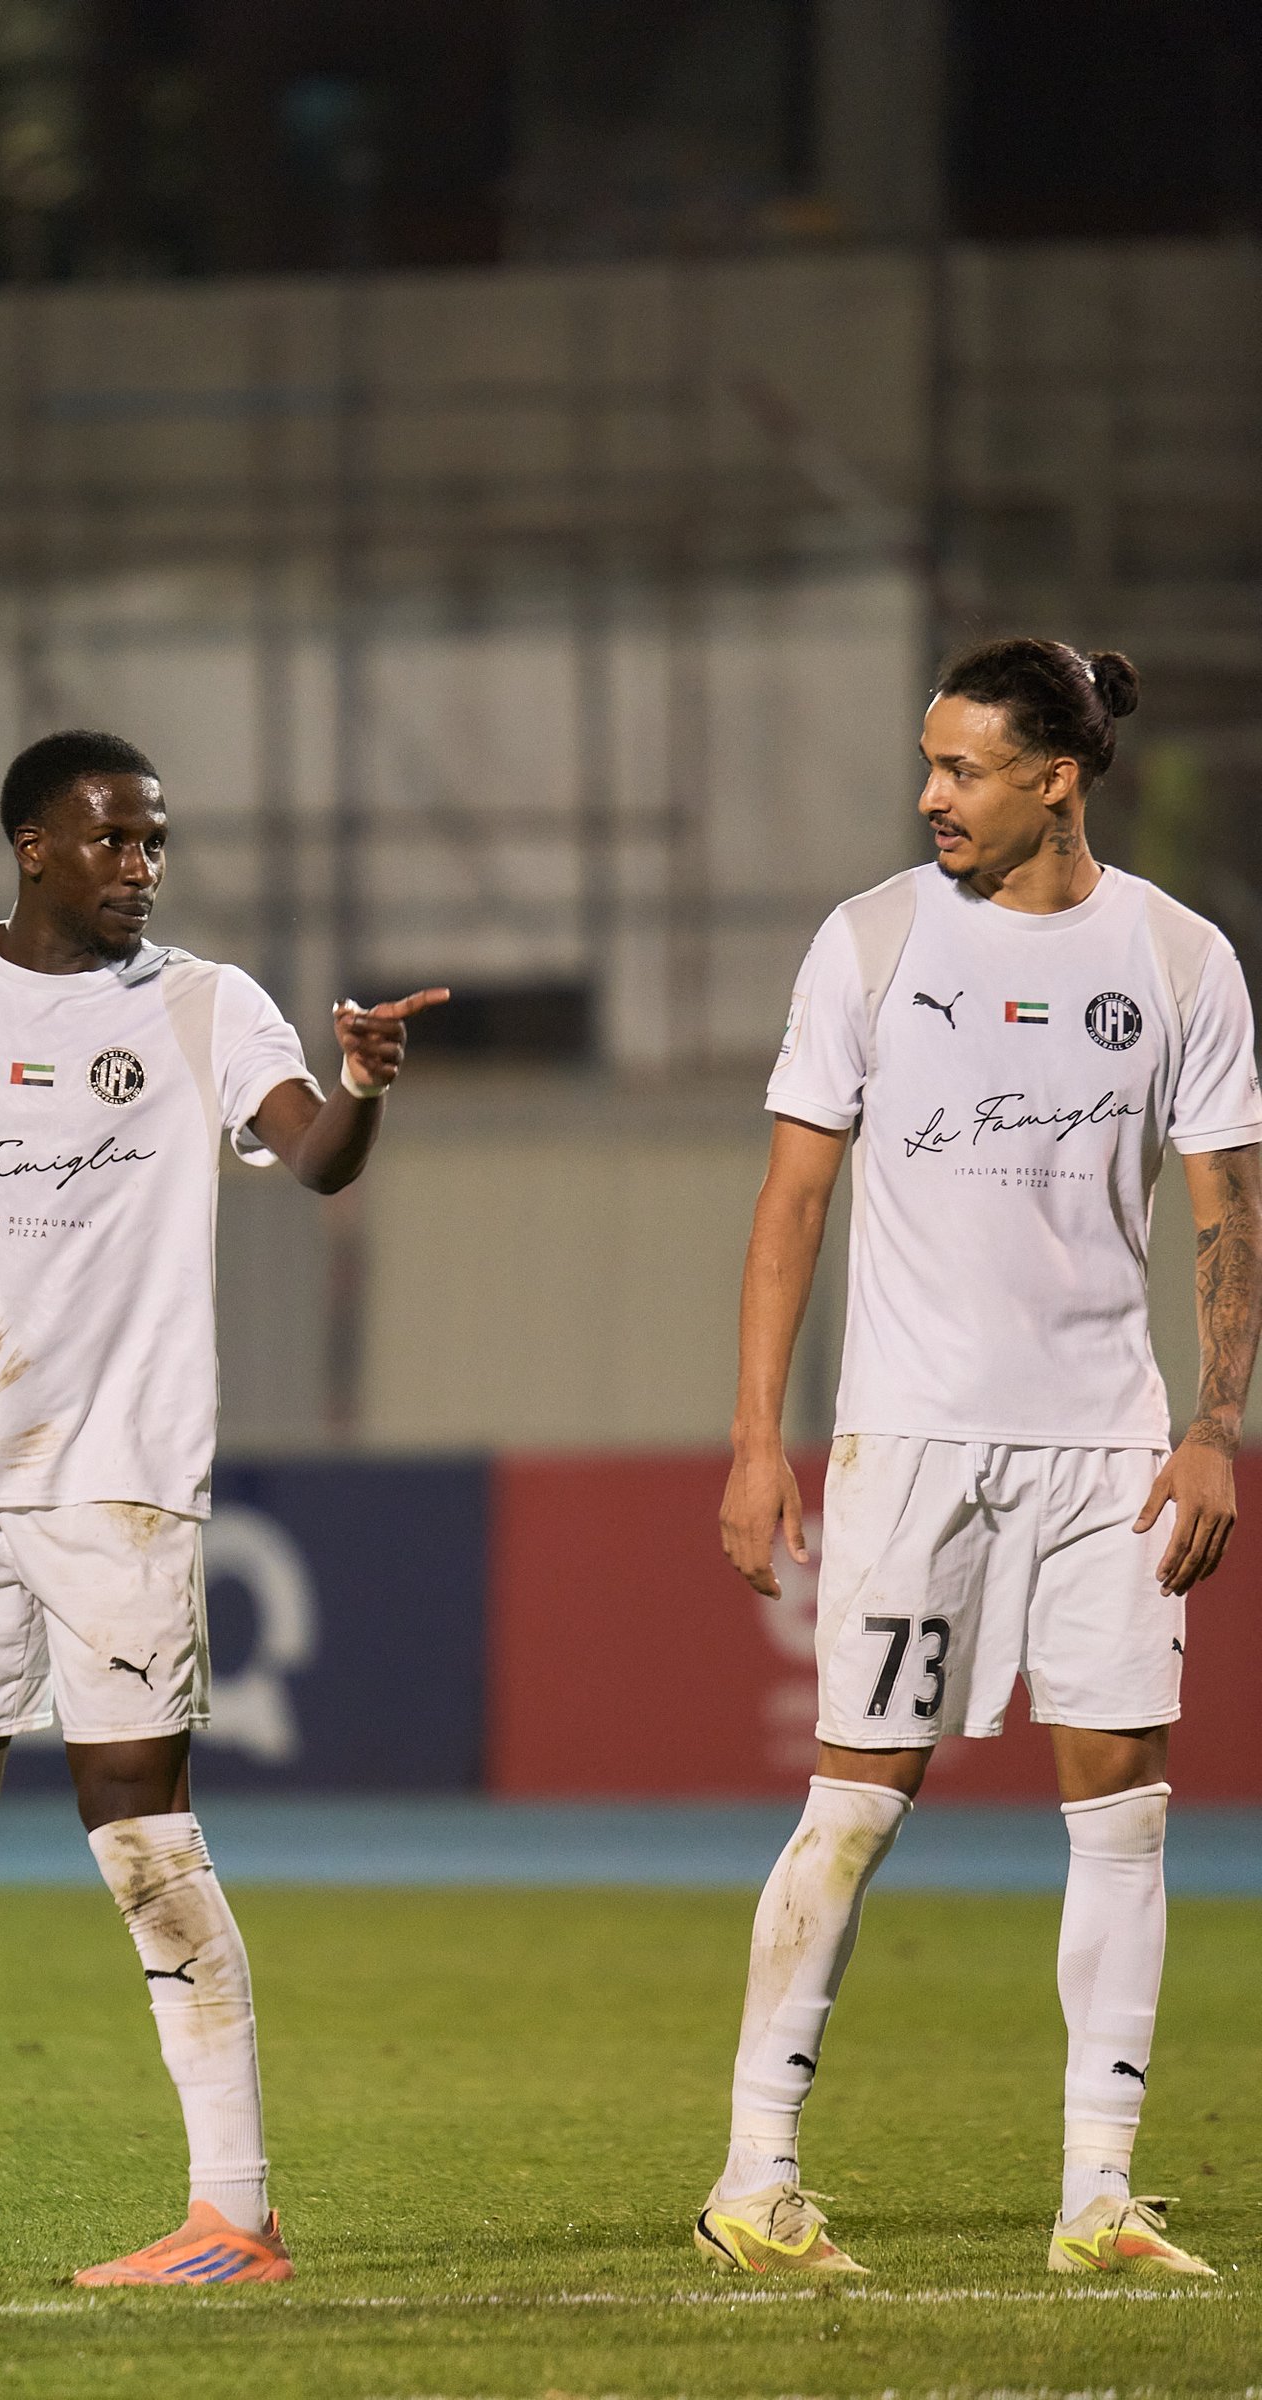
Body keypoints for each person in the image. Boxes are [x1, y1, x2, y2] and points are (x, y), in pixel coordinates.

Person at [0, 728, 447, 2289]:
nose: (142, 866)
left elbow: (315, 1159)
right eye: (113, 838)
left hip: (119, 1482)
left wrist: (362, 1086)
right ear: (31, 845)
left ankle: (234, 2213)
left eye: (155, 840)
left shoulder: (205, 1004)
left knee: (141, 1826)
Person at [701, 638, 1262, 2280]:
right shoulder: (871, 941)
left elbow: (1227, 1214)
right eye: (927, 766)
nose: (929, 797)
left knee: (1124, 1810)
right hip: (913, 1443)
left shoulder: (1180, 958)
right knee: (858, 1801)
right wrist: (757, 1440)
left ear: (1055, 779)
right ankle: (754, 2177)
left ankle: (1099, 2198)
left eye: (960, 769)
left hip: (1109, 1454)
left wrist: (1213, 1428)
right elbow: (793, 1199)